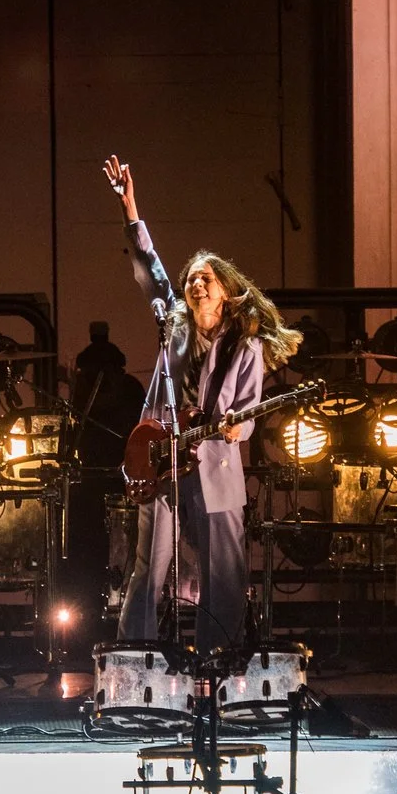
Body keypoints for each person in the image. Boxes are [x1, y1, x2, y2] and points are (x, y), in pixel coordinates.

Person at [103, 155, 301, 654]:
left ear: (226, 294)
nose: (195, 283)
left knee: (224, 568)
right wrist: (131, 209)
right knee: (149, 563)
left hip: (212, 459)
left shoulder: (245, 346)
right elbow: (150, 271)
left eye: (205, 279)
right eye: (191, 278)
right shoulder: (174, 321)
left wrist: (236, 429)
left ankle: (220, 663)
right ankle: (136, 659)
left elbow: (248, 412)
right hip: (161, 453)